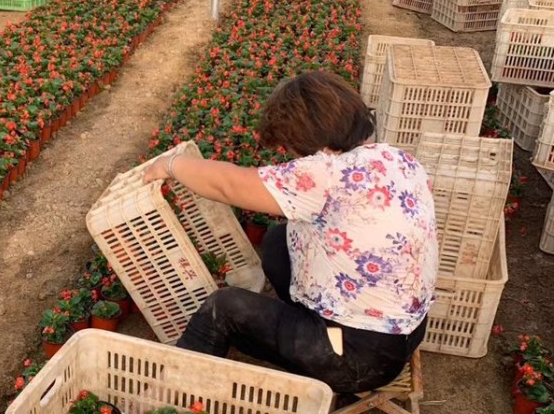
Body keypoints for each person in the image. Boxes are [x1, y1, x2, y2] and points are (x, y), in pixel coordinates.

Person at [143, 70, 438, 394]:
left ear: (308, 140)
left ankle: (171, 399)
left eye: (289, 146)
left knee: (223, 309)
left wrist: (171, 165)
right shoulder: (396, 158)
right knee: (279, 241)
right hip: (403, 332)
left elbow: (228, 185)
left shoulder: (325, 173)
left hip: (357, 357)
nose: (289, 156)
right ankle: (306, 320)